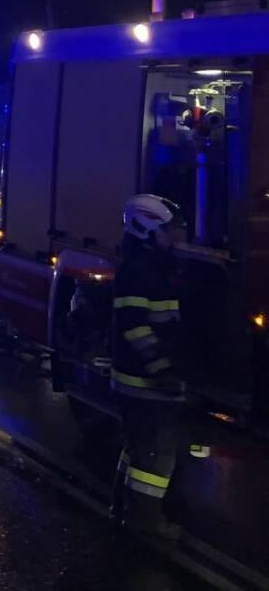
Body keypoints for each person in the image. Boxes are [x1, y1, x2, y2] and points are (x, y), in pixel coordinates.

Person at [110, 194, 186, 539]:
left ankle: (122, 509)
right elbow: (135, 325)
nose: (176, 237)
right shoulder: (143, 270)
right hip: (144, 382)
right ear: (148, 229)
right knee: (155, 457)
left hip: (137, 379)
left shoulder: (148, 265)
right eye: (170, 231)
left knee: (137, 449)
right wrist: (161, 367)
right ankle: (146, 524)